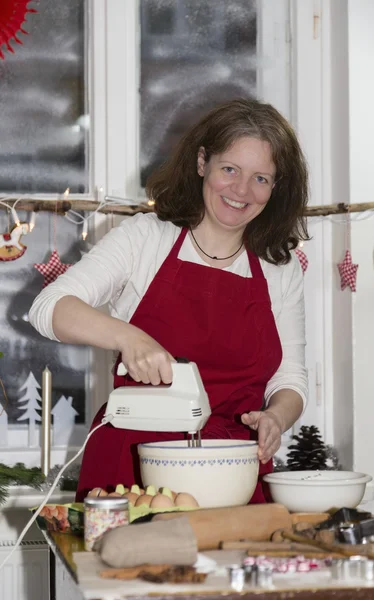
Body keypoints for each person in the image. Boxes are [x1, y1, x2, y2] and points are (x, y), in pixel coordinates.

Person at [29, 98, 309, 503]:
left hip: (234, 469)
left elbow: (290, 378)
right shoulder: (147, 238)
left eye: (261, 178)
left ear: (276, 187)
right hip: (134, 468)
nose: (241, 190)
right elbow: (48, 307)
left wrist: (276, 417)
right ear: (201, 163)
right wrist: (129, 338)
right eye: (229, 169)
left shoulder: (279, 267)